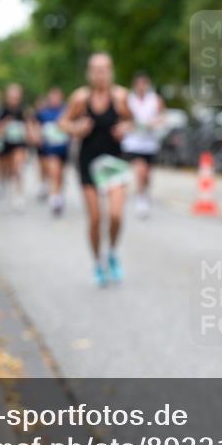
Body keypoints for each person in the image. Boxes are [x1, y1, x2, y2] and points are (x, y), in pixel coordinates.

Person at [59, 52, 133, 286]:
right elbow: (63, 122)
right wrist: (76, 128)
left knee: (116, 215)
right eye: (95, 69)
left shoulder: (121, 97)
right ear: (89, 73)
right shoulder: (81, 98)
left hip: (114, 164)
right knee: (95, 219)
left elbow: (132, 121)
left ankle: (111, 252)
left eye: (104, 69)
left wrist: (125, 128)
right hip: (88, 164)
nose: (100, 73)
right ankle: (97, 261)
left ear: (111, 71)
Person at [122, 71, 165, 218]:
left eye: (144, 84)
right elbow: (123, 119)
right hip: (133, 143)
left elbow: (162, 118)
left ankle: (144, 192)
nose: (141, 87)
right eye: (138, 84)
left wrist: (154, 123)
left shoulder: (155, 100)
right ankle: (141, 199)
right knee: (140, 170)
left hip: (150, 143)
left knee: (147, 174)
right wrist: (130, 125)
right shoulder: (128, 100)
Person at [33, 87, 70, 216]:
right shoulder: (43, 113)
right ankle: (54, 198)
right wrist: (36, 136)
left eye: (57, 96)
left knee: (60, 174)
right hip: (49, 149)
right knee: (54, 172)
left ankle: (59, 194)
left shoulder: (67, 111)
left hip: (64, 149)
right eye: (52, 96)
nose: (55, 99)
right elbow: (36, 126)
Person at [0, 83, 30, 211]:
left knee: (18, 167)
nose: (14, 99)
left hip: (19, 144)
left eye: (16, 97)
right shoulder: (2, 111)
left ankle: (19, 192)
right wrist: (4, 124)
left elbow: (29, 127)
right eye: (12, 96)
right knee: (8, 169)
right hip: (6, 144)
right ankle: (5, 184)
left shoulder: (23, 111)